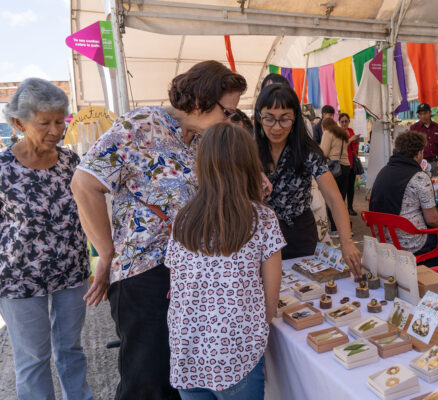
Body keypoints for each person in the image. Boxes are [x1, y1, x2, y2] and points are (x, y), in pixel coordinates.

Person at [71, 61, 247, 400]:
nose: (229, 120)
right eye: (226, 112)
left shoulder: (198, 141)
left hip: (189, 273)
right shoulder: (141, 125)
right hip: (145, 275)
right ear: (200, 102)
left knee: (179, 376)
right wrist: (107, 254)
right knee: (147, 380)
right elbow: (84, 184)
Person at [165, 123, 284, 400]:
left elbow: (177, 281)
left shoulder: (183, 217)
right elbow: (272, 293)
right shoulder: (262, 219)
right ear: (247, 163)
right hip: (236, 351)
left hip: (187, 350)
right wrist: (258, 324)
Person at [0, 78, 92, 399]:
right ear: (18, 123)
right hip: (18, 279)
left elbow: (88, 212)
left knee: (70, 348)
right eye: (45, 123)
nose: (55, 130)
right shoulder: (2, 169)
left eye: (60, 121)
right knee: (33, 359)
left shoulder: (71, 163)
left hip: (71, 271)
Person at [254, 83, 362, 275]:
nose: (277, 127)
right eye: (269, 119)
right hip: (260, 235)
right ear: (259, 117)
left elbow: (334, 198)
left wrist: (346, 241)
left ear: (295, 119)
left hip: (300, 233)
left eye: (284, 119)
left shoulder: (307, 151)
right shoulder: (249, 149)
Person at [369, 131, 438, 267]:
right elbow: (432, 220)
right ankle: (422, 268)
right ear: (419, 153)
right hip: (411, 243)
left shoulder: (383, 171)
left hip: (384, 240)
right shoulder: (419, 177)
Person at [321, 117, 351, 236]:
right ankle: (346, 229)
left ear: (324, 126)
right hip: (346, 167)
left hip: (334, 168)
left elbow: (323, 152)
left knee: (331, 199)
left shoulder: (328, 133)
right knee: (341, 199)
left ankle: (334, 229)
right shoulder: (343, 134)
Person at [410, 103, 438, 174]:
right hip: (419, 163)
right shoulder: (414, 128)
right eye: (420, 114)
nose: (423, 116)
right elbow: (410, 147)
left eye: (425, 113)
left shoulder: (437, 127)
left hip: (434, 162)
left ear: (430, 113)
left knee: (434, 182)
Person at [339, 113, 360, 216]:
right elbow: (341, 146)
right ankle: (342, 209)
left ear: (348, 122)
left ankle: (350, 207)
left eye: (346, 121)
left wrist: (357, 140)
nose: (344, 123)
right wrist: (351, 139)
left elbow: (355, 145)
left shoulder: (351, 131)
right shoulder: (338, 132)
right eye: (342, 121)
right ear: (339, 122)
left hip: (352, 162)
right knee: (343, 188)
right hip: (343, 164)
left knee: (351, 187)